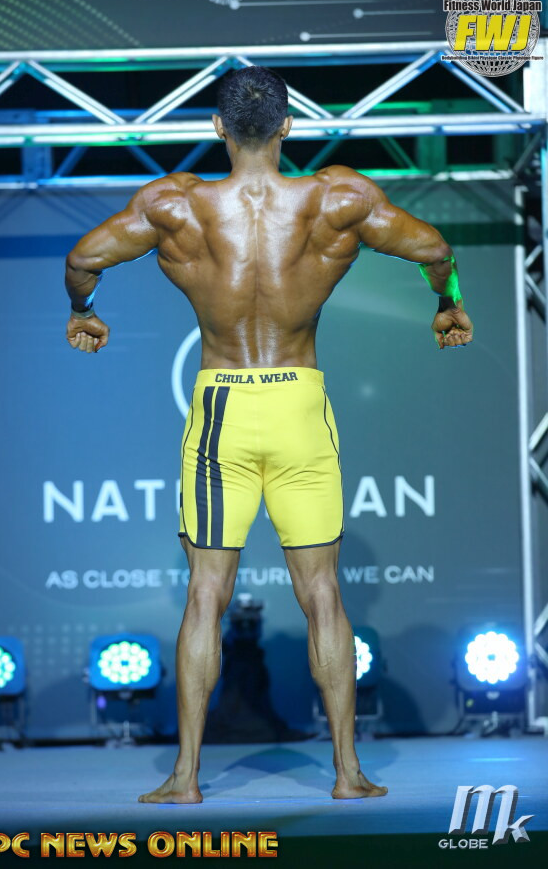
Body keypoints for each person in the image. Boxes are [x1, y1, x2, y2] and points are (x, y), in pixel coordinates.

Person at [64, 66, 473, 804]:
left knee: (205, 594)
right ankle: (347, 773)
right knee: (323, 594)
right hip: (298, 405)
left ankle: (186, 778)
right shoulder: (338, 199)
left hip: (222, 405)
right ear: (287, 126)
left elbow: (83, 260)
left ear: (218, 128)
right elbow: (436, 250)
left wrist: (83, 312)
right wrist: (446, 303)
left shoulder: (176, 205)